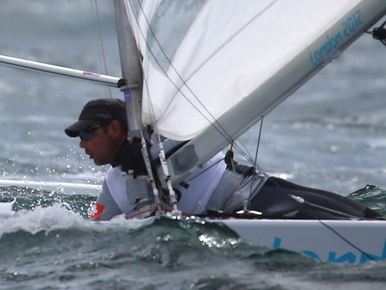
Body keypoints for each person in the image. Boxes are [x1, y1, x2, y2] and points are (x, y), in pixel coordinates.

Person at [65, 97, 381, 221]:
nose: (83, 145)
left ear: (115, 128)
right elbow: (97, 230)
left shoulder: (166, 135)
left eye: (87, 135)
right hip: (232, 220)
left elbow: (208, 108)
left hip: (260, 195)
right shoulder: (113, 184)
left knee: (365, 219)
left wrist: (149, 144)